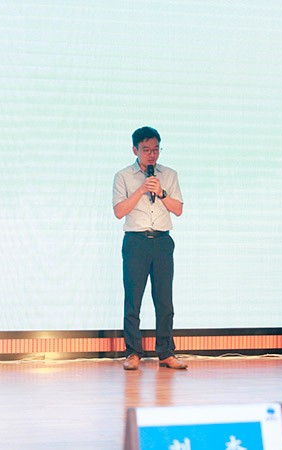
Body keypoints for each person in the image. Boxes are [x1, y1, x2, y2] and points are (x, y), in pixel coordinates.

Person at [112, 126, 187, 371]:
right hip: (136, 242)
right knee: (133, 299)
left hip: (162, 242)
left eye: (156, 149)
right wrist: (142, 190)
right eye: (146, 150)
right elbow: (119, 211)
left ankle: (166, 352)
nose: (152, 154)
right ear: (135, 150)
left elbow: (178, 209)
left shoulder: (169, 175)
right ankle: (133, 352)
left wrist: (161, 192)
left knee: (164, 300)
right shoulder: (123, 176)